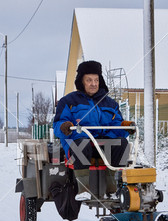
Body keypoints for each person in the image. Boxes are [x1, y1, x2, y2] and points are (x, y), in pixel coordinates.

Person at [53, 60, 135, 200]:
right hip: (79, 145)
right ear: (81, 81)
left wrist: (125, 126)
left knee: (121, 143)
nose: (94, 83)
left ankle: (112, 189)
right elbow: (58, 125)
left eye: (96, 80)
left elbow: (116, 126)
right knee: (82, 143)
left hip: (103, 144)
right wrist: (64, 126)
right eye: (89, 80)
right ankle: (83, 190)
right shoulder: (68, 101)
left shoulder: (110, 103)